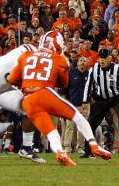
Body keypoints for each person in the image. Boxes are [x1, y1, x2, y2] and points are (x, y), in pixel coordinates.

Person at [8, 31, 111, 166]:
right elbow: (64, 83)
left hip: (28, 98)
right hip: (44, 93)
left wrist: (28, 83)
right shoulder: (59, 59)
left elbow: (11, 79)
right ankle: (94, 145)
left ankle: (60, 152)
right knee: (77, 117)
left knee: (50, 129)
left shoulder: (25, 56)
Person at [82, 47, 119, 158]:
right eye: (100, 58)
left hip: (117, 98)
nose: (102, 60)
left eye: (104, 58)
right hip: (101, 99)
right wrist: (84, 100)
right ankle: (88, 152)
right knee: (90, 124)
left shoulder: (118, 70)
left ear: (110, 58)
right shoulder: (94, 69)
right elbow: (88, 84)